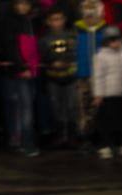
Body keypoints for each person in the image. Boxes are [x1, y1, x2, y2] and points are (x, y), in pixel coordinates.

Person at [0, 0, 40, 156]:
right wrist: (22, 67)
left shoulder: (30, 21)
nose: (23, 7)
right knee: (24, 108)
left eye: (26, 4)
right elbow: (11, 48)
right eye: (20, 3)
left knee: (24, 107)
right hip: (20, 71)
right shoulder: (10, 22)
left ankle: (20, 141)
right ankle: (26, 143)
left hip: (31, 70)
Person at [92, 25, 122, 159]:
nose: (115, 43)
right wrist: (98, 94)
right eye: (111, 40)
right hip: (108, 94)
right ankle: (105, 146)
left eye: (117, 40)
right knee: (107, 121)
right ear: (106, 42)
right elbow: (98, 76)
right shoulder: (100, 56)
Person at [40, 6, 79, 148]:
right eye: (54, 19)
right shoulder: (44, 39)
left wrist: (66, 61)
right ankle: (60, 135)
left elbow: (75, 51)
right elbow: (43, 55)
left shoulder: (72, 36)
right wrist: (52, 61)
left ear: (64, 20)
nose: (57, 22)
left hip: (71, 77)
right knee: (56, 108)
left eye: (60, 19)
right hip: (53, 78)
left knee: (71, 106)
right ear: (48, 22)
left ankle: (73, 136)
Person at [75, 0, 107, 143]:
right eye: (87, 16)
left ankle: (100, 138)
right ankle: (84, 138)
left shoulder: (106, 31)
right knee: (83, 107)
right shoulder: (76, 31)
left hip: (101, 77)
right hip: (82, 76)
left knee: (100, 108)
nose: (90, 19)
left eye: (93, 15)